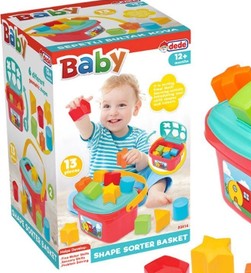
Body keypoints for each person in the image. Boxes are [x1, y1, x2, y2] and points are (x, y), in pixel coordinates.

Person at [66, 74, 172, 208]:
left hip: (128, 190)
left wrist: (140, 157)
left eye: (121, 105)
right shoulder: (98, 132)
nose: (113, 112)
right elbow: (85, 129)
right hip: (98, 189)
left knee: (157, 167)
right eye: (106, 106)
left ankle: (154, 193)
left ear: (136, 108)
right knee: (73, 197)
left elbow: (144, 166)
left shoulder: (139, 136)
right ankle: (98, 208)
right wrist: (79, 114)